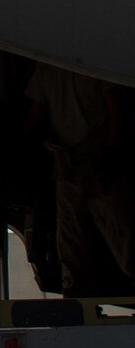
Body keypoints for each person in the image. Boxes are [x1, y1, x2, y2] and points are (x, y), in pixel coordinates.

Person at [27, 62, 135, 295]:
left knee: (71, 234)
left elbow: (35, 116)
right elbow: (115, 107)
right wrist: (113, 148)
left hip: (68, 164)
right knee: (120, 230)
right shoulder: (93, 59)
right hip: (97, 160)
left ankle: (75, 291)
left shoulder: (46, 67)